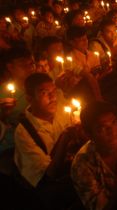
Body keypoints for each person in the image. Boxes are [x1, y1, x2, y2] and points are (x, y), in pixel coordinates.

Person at [14, 73, 82, 209]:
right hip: (49, 183)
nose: (52, 98)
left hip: (71, 166)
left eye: (53, 92)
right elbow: (50, 174)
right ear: (29, 99)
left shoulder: (61, 109)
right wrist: (65, 137)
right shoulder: (24, 132)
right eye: (44, 93)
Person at [0, 47, 35, 153]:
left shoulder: (40, 87)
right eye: (23, 65)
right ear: (10, 67)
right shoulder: (2, 92)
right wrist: (4, 114)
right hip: (13, 145)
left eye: (31, 64)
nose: (30, 68)